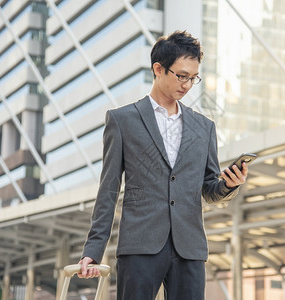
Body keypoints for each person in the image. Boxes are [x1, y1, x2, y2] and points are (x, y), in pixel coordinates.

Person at [78, 30, 248, 300]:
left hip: (189, 248)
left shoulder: (204, 128)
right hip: (140, 246)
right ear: (158, 69)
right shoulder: (122, 120)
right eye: (182, 76)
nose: (188, 85)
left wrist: (228, 184)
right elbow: (108, 190)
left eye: (193, 78)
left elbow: (208, 188)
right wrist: (92, 250)